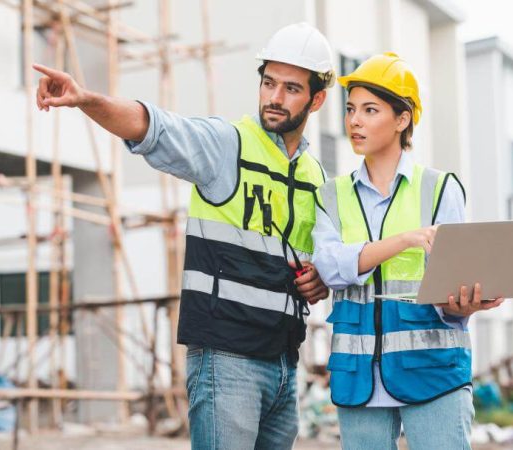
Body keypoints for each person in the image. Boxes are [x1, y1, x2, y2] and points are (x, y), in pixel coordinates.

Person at [35, 22, 334, 450]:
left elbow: (315, 261)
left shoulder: (315, 179)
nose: (274, 97)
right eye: (269, 83)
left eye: (290, 89)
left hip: (284, 364)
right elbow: (151, 126)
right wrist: (86, 100)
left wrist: (318, 279)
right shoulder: (227, 145)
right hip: (226, 361)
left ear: (316, 99)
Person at [312, 52, 505, 449]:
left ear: (402, 120)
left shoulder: (439, 189)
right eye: (350, 110)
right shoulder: (331, 196)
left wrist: (463, 304)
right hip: (359, 381)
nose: (355, 121)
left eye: (370, 110)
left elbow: (451, 284)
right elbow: (331, 268)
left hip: (434, 376)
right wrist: (404, 240)